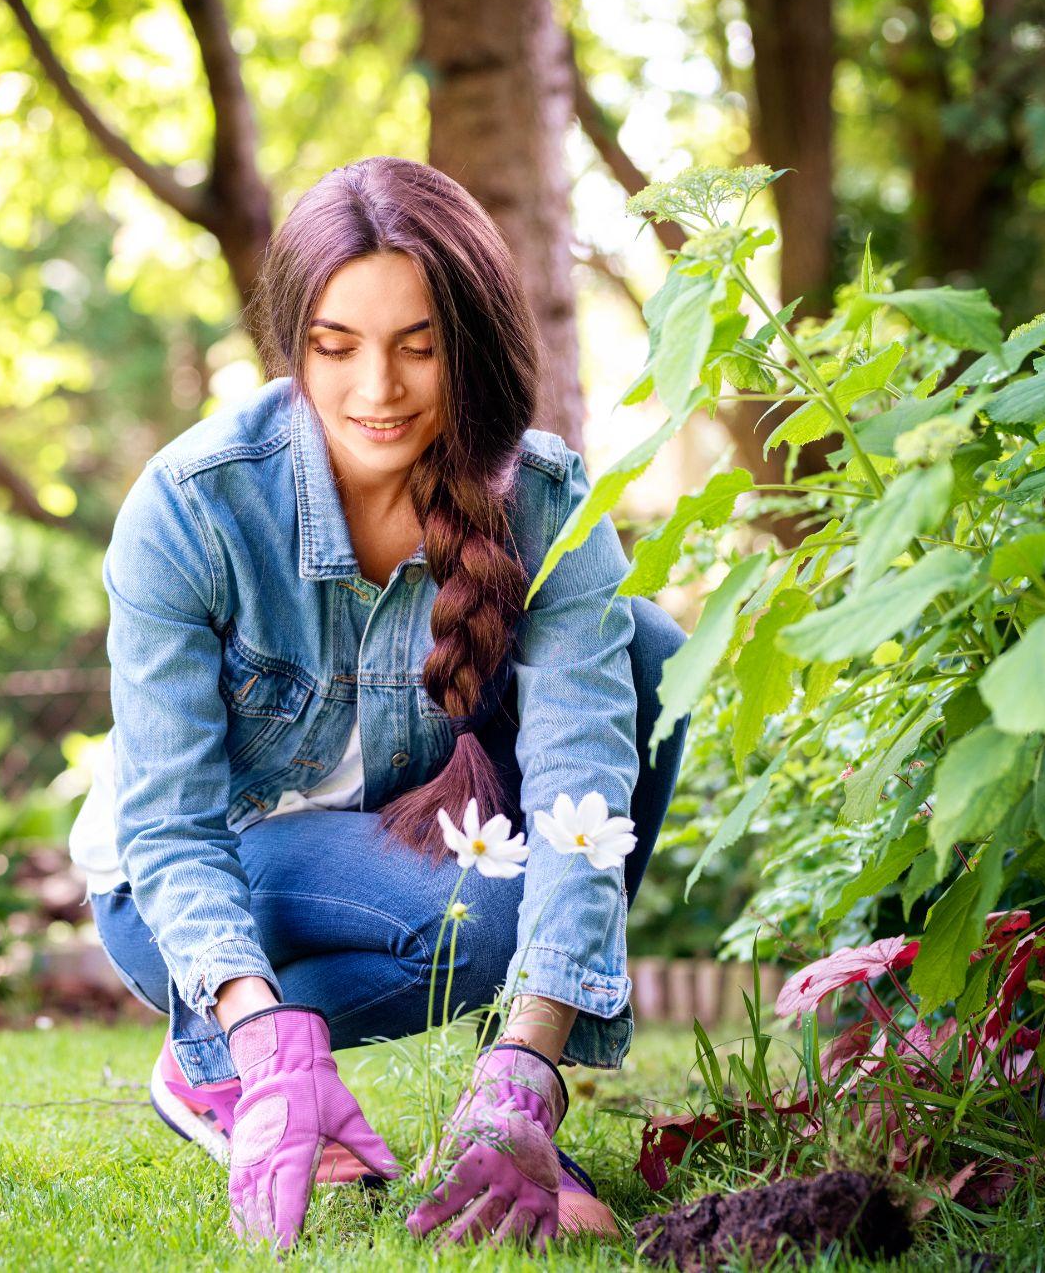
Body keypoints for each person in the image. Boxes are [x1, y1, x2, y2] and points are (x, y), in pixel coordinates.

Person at [66, 155, 689, 1251]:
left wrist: (528, 1066)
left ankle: (501, 1114)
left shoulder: (540, 502)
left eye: (418, 344)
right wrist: (263, 1040)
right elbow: (168, 826)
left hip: (380, 852)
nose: (377, 389)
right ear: (291, 346)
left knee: (647, 657)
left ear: (470, 341)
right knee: (482, 911)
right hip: (192, 877)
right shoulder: (191, 509)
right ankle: (223, 1053)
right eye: (334, 345)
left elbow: (578, 788)